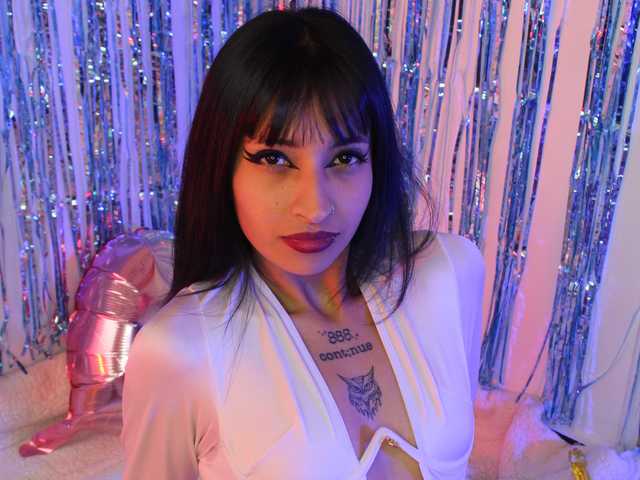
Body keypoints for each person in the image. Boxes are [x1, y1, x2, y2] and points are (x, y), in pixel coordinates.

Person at [121, 6, 485, 480]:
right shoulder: (177, 350)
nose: (315, 208)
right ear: (222, 167)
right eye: (275, 159)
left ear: (376, 161)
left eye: (345, 158)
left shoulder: (448, 273)